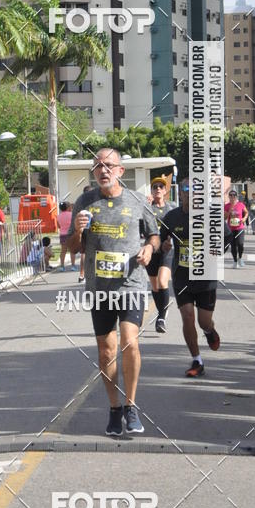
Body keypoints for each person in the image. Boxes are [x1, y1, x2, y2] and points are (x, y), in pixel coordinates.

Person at [66, 148, 159, 437]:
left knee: (129, 342)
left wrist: (148, 248)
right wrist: (79, 232)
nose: (103, 170)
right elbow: (70, 249)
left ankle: (131, 407)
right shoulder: (84, 202)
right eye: (98, 166)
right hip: (100, 289)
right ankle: (114, 408)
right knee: (106, 350)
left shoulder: (136, 200)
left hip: (131, 284)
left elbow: (154, 235)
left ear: (120, 171)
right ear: (93, 172)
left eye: (109, 165)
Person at [160, 178, 221, 378]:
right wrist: (165, 246)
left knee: (204, 322)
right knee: (187, 316)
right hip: (182, 277)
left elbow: (227, 237)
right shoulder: (172, 217)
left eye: (195, 191)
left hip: (206, 278)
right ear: (181, 193)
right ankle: (197, 360)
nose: (190, 194)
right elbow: (161, 239)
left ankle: (209, 331)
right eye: (186, 190)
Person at [146, 176, 176, 334]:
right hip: (151, 250)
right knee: (155, 286)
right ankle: (161, 312)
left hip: (166, 249)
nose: (158, 189)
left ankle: (161, 318)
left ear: (165, 191)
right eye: (155, 186)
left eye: (161, 187)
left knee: (163, 282)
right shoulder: (146, 207)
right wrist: (144, 205)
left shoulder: (172, 208)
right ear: (151, 190)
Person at [225, 189, 249, 268]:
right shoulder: (226, 206)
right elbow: (224, 217)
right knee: (233, 247)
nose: (232, 197)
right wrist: (229, 212)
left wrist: (244, 218)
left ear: (236, 196)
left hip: (240, 228)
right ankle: (235, 261)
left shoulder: (240, 204)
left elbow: (246, 212)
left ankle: (240, 258)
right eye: (230, 195)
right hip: (231, 229)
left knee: (240, 244)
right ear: (229, 197)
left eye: (234, 195)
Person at [57, 202, 77, 271]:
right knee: (72, 251)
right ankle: (73, 266)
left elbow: (59, 226)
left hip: (62, 235)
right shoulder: (72, 215)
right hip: (71, 234)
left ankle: (62, 266)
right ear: (68, 207)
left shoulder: (58, 216)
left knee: (63, 251)